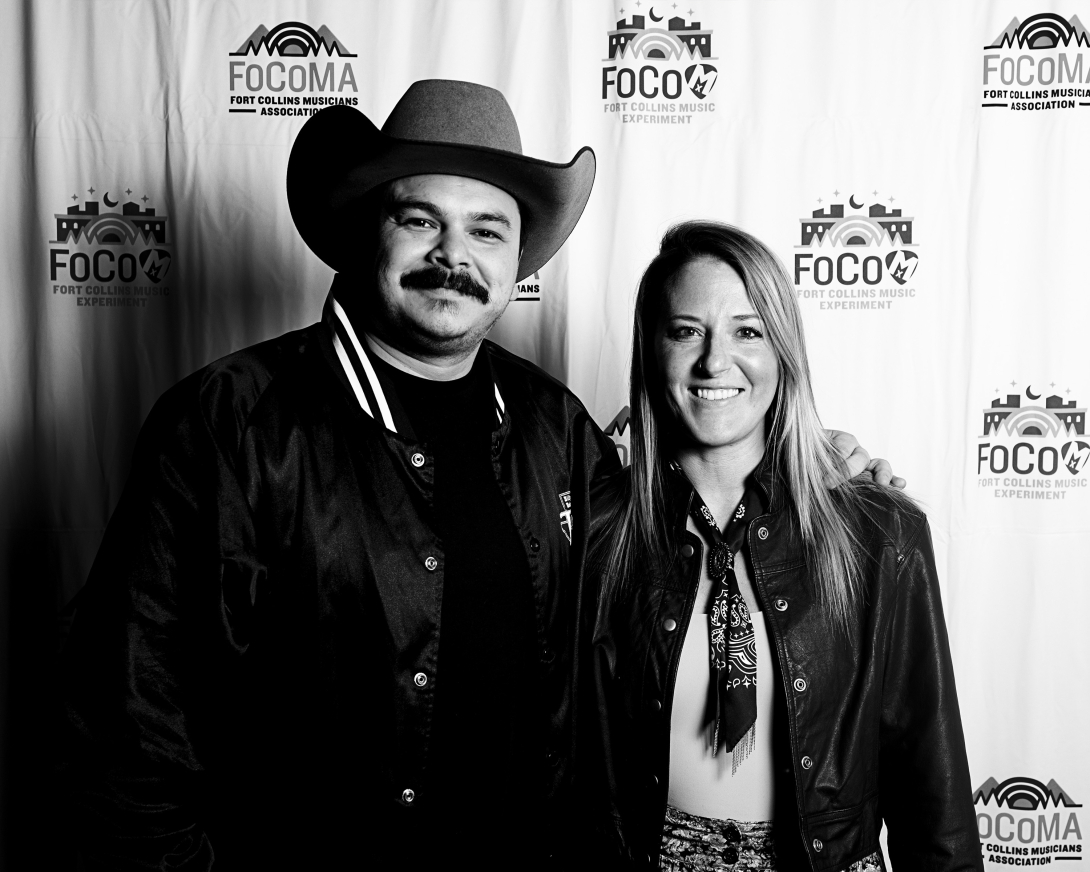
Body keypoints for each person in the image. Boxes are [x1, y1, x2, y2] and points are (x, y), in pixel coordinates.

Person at [59, 82, 891, 870]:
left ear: (516, 258)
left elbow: (676, 522)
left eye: (487, 230)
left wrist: (812, 466)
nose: (453, 255)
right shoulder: (230, 423)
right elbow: (128, 737)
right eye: (421, 219)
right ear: (364, 232)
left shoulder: (551, 425)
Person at [584, 222, 980, 871]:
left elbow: (930, 784)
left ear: (783, 351)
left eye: (748, 331)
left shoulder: (881, 533)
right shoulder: (597, 533)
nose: (716, 362)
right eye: (686, 331)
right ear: (651, 352)